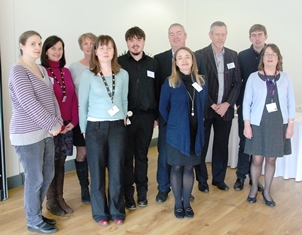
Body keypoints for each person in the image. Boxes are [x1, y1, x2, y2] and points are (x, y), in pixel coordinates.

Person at [8, 30, 62, 234]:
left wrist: (57, 121)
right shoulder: (18, 70)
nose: (38, 47)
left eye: (39, 43)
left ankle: (37, 215)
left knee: (47, 175)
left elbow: (51, 97)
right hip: (27, 134)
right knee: (35, 178)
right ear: (22, 46)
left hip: (46, 132)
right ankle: (32, 220)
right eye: (33, 44)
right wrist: (52, 124)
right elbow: (29, 103)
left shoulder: (41, 69)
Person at [78, 35, 129, 226]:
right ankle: (100, 213)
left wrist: (122, 118)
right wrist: (84, 129)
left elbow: (124, 100)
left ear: (114, 51)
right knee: (97, 172)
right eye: (101, 48)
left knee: (116, 171)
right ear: (95, 52)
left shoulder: (122, 74)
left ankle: (117, 210)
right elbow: (82, 105)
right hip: (95, 128)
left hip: (117, 127)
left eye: (109, 48)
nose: (105, 51)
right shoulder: (88, 75)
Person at [154, 23, 206, 203]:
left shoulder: (199, 70)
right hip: (172, 126)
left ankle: (186, 194)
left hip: (193, 127)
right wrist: (171, 122)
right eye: (171, 34)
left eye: (178, 33)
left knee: (188, 164)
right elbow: (160, 100)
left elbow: (202, 99)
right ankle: (165, 190)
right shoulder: (161, 64)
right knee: (168, 159)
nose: (175, 37)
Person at [243, 44, 295, 207]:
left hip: (278, 123)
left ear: (278, 58)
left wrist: (290, 125)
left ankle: (267, 191)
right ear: (263, 58)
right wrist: (247, 125)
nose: (270, 57)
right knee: (257, 159)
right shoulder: (253, 77)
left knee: (271, 159)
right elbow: (246, 103)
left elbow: (291, 102)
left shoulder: (285, 78)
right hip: (258, 123)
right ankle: (253, 190)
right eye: (267, 54)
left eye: (273, 54)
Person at [195, 21, 241, 191]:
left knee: (221, 145)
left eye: (223, 34)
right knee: (202, 145)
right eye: (217, 34)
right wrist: (212, 104)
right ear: (210, 35)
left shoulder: (232, 55)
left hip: (226, 110)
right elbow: (197, 83)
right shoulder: (199, 55)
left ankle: (219, 179)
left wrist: (227, 104)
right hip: (207, 109)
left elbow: (237, 83)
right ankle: (202, 181)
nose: (220, 38)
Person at [118, 26, 158, 210]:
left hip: (147, 118)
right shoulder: (118, 63)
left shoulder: (152, 63)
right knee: (127, 158)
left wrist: (157, 115)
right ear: (127, 42)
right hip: (126, 119)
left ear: (143, 41)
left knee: (142, 156)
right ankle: (128, 195)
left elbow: (157, 90)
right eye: (132, 40)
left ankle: (142, 193)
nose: (135, 43)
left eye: (139, 39)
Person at [41, 36, 79, 216]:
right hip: (51, 125)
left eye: (60, 49)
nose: (57, 52)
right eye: (53, 48)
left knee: (61, 162)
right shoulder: (42, 72)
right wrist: (54, 123)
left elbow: (72, 96)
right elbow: (42, 101)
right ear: (46, 51)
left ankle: (60, 197)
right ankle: (51, 200)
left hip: (67, 125)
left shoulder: (66, 71)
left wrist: (73, 121)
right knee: (50, 163)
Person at [234, 24, 268, 191]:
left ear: (265, 36)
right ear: (250, 38)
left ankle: (254, 179)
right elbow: (237, 81)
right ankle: (240, 176)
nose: (257, 38)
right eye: (253, 35)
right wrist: (238, 103)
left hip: (265, 108)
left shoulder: (271, 54)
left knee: (259, 144)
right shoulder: (242, 56)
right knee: (245, 141)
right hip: (246, 107)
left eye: (260, 34)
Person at [70, 33, 97, 204]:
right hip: (81, 117)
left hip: (99, 117)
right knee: (83, 152)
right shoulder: (74, 68)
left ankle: (97, 188)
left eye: (92, 43)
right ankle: (84, 188)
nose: (88, 46)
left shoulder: (103, 65)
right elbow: (72, 95)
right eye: (85, 43)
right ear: (81, 47)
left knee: (97, 153)